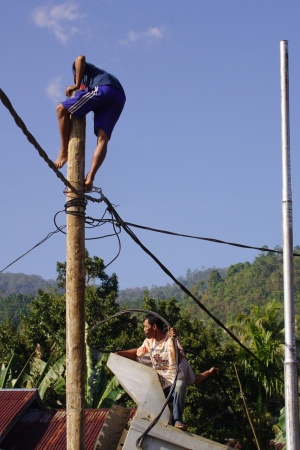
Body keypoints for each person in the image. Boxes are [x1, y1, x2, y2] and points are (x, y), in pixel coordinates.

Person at [116, 314, 217, 430]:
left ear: (154, 327)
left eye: (145, 326)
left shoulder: (171, 340)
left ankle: (177, 420)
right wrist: (119, 353)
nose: (144, 330)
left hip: (173, 388)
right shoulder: (149, 342)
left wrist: (209, 372)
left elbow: (179, 361)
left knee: (179, 385)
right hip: (158, 387)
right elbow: (137, 353)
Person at [54, 55, 126, 191]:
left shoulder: (84, 75)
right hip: (119, 96)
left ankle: (63, 151)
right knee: (103, 139)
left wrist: (76, 85)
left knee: (60, 109)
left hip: (104, 88)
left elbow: (80, 58)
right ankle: (90, 178)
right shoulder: (88, 86)